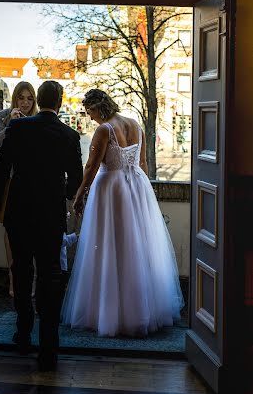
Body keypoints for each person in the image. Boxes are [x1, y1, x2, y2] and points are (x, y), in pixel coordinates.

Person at [62, 89, 184, 338]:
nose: (90, 118)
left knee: (110, 246)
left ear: (98, 108)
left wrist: (78, 196)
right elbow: (143, 163)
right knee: (136, 247)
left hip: (112, 190)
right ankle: (141, 310)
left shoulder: (105, 129)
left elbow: (92, 166)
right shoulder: (135, 125)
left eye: (90, 112)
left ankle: (110, 313)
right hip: (137, 187)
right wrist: (144, 194)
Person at [0, 80, 83, 371]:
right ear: (60, 101)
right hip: (50, 215)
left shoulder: (18, 129)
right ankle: (48, 347)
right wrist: (62, 196)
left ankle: (23, 333)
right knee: (50, 275)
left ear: (39, 100)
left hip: (19, 212)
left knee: (21, 269)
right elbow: (76, 180)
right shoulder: (69, 135)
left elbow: (2, 170)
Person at [0, 81, 38, 297]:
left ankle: (31, 280)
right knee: (9, 230)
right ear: (15, 98)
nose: (26, 102)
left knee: (32, 231)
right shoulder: (4, 115)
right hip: (9, 181)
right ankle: (13, 278)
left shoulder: (38, 118)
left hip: (31, 182)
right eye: (22, 98)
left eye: (30, 98)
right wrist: (12, 124)